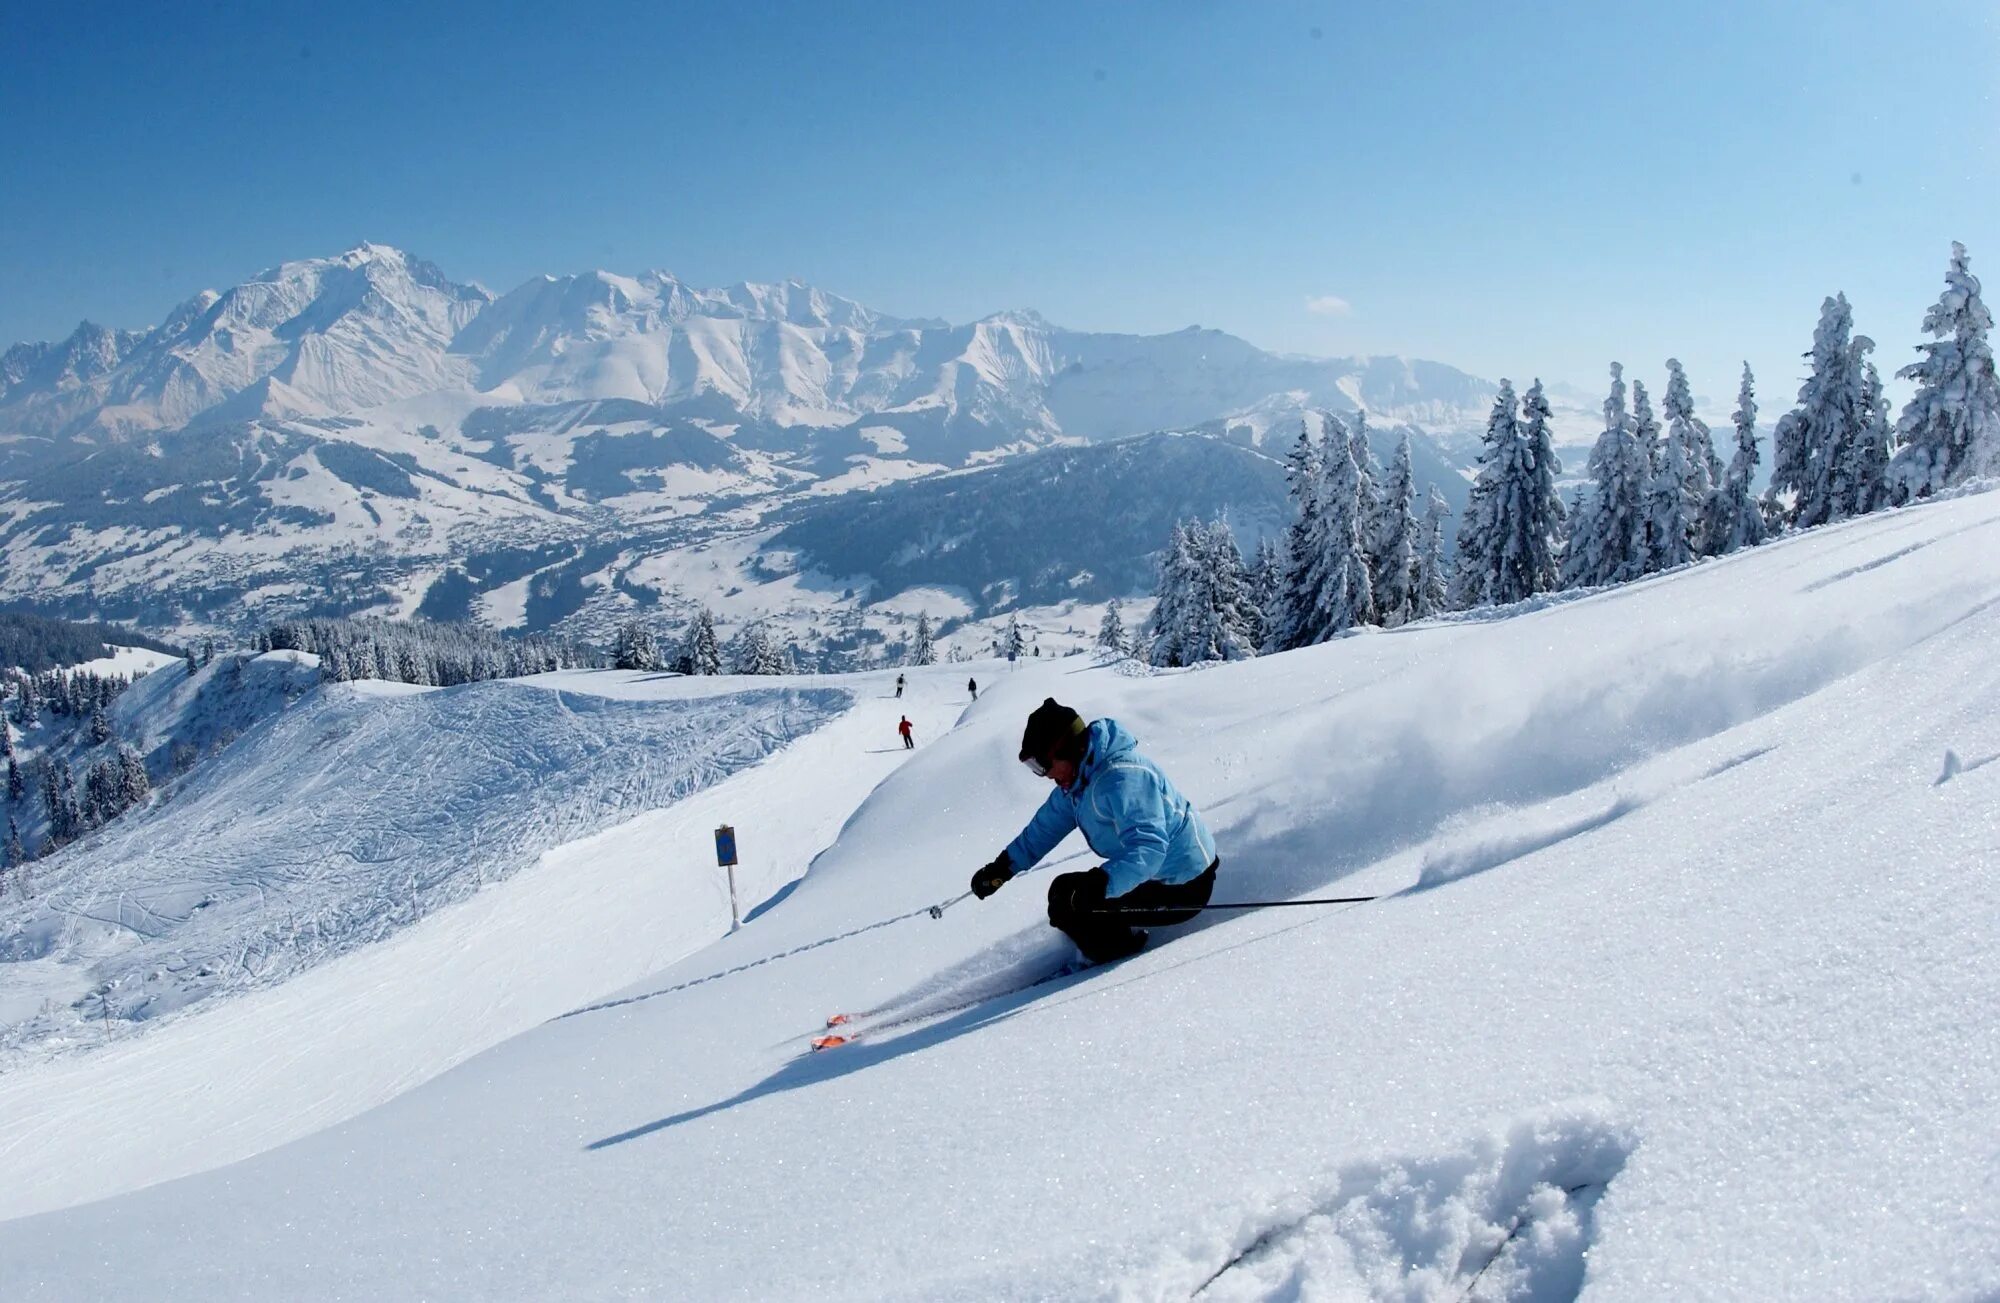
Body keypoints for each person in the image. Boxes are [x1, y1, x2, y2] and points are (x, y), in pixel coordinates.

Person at [969, 698, 1217, 964]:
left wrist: (1101, 883)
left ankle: (1116, 961)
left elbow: (1150, 848)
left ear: (1065, 749)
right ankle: (1113, 943)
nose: (1045, 775)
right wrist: (1003, 867)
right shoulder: (1078, 782)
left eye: (1042, 765)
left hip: (1186, 885)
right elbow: (1044, 828)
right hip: (1156, 875)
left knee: (1073, 902)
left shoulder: (1122, 778)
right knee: (1066, 892)